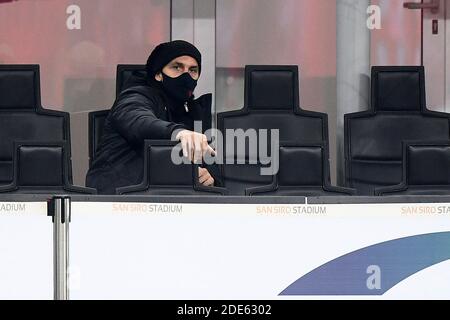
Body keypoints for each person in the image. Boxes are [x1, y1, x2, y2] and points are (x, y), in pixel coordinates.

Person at [86, 40, 221, 194]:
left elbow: (213, 167)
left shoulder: (193, 113)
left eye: (192, 70)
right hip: (119, 201)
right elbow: (139, 120)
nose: (186, 76)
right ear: (158, 74)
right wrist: (179, 133)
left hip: (174, 205)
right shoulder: (136, 95)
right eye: (177, 67)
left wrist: (210, 178)